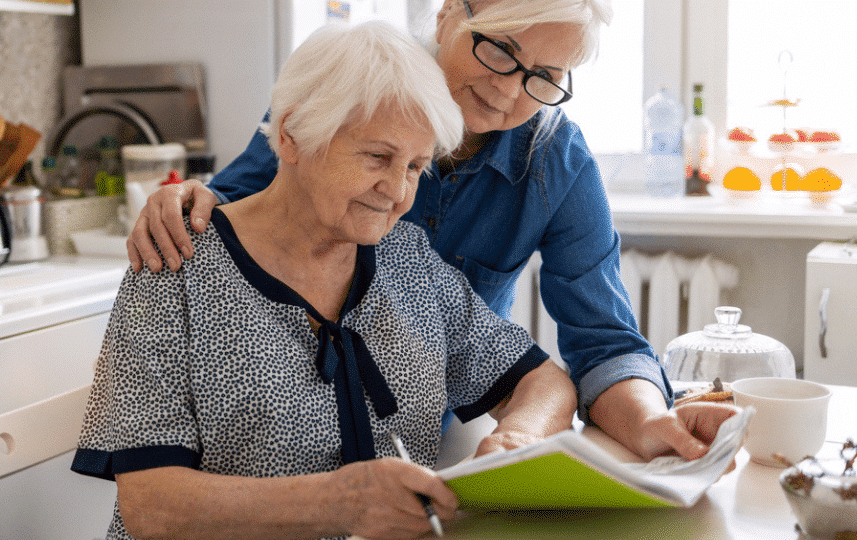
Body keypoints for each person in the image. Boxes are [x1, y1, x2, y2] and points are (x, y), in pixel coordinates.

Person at [125, 0, 740, 463]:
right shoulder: (349, 90)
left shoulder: (556, 163)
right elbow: (241, 210)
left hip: (426, 435)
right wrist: (180, 200)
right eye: (499, 49)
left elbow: (603, 342)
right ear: (450, 12)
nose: (506, 88)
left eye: (543, 75)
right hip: (276, 439)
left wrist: (651, 420)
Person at [72, 21, 577, 540]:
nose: (397, 192)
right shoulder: (175, 265)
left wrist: (517, 439)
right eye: (378, 157)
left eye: (415, 167)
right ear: (291, 135)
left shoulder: (409, 261)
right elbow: (151, 507)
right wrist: (341, 502)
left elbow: (544, 383)